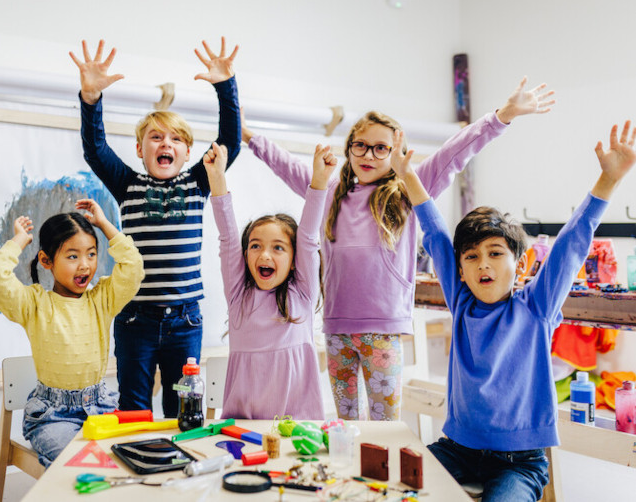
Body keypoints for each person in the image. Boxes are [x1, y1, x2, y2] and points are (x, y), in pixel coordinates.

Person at [243, 77, 555, 421]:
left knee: (384, 427)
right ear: (349, 148)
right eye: (360, 145)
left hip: (384, 331)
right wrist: (245, 133)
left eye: (381, 148)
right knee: (345, 424)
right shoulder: (329, 193)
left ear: (395, 152)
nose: (369, 155)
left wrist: (502, 116)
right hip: (336, 331)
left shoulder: (407, 189)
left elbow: (455, 152)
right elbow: (284, 163)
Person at [390, 121, 636, 500]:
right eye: (471, 257)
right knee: (396, 489)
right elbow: (437, 234)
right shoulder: (461, 302)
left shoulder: (536, 306)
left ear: (520, 266)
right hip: (456, 449)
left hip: (519, 462)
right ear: (461, 271)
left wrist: (608, 181)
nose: (483, 264)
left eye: (495, 254)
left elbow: (572, 243)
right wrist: (407, 176)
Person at [70, 38, 241, 417]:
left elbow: (230, 143)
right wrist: (90, 98)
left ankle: (176, 473)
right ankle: (137, 469)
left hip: (186, 319)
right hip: (136, 318)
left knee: (183, 407)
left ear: (186, 151)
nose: (167, 143)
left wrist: (225, 86)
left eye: (177, 139)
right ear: (140, 149)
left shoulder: (197, 182)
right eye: (156, 137)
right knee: (133, 407)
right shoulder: (128, 184)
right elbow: (95, 149)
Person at [0, 199, 145, 467]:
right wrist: (19, 241)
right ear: (46, 260)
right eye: (73, 256)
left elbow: (133, 268)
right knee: (84, 466)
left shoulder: (102, 300)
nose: (85, 265)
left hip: (101, 407)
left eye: (91, 254)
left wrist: (104, 225)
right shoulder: (34, 304)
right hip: (52, 416)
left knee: (130, 461)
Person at [203, 140, 336, 419]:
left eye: (278, 247)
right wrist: (217, 178)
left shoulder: (302, 293)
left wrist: (319, 181)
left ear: (294, 258)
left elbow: (309, 238)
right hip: (242, 425)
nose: (265, 254)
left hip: (299, 425)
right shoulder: (239, 294)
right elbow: (228, 238)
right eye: (255, 245)